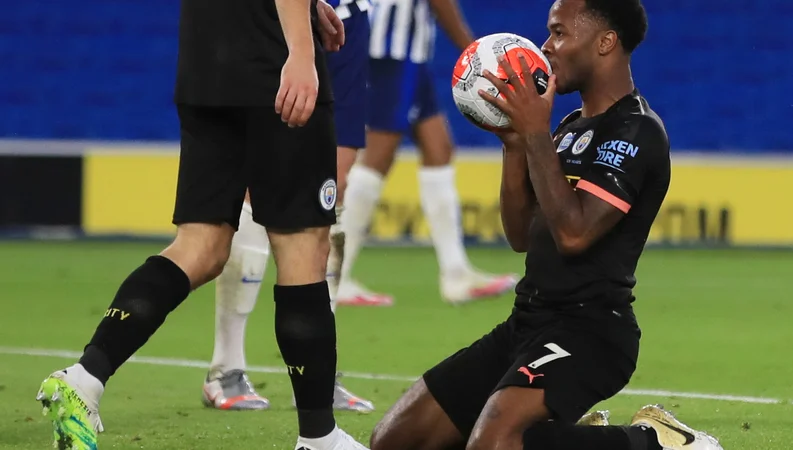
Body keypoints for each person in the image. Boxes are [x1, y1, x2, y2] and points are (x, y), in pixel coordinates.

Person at [369, 1, 724, 450]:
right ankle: (562, 439)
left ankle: (655, 442)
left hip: (591, 331)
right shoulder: (571, 127)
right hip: (528, 322)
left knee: (495, 444)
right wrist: (515, 145)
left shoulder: (637, 131)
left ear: (605, 42)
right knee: (393, 441)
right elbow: (521, 235)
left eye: (558, 33)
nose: (546, 46)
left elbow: (574, 235)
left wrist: (536, 134)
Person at [34, 1, 368, 449]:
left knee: (200, 246)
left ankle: (83, 379)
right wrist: (301, 50)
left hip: (205, 62)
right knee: (303, 248)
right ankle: (318, 437)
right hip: (270, 63)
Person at [201, 0, 375, 414]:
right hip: (270, 25)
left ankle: (320, 371)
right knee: (254, 184)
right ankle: (225, 367)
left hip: (349, 19)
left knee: (333, 190)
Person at [336, 0, 518, 307]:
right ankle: (335, 274)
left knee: (438, 148)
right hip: (392, 44)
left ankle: (455, 273)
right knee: (379, 154)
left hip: (405, 44)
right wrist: (473, 54)